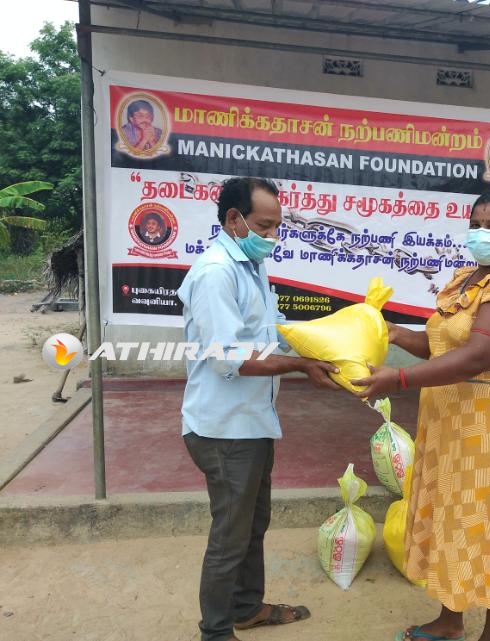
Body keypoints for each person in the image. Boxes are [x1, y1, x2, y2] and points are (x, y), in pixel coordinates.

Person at [352, 190, 490, 641]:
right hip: (451, 423)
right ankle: (449, 620)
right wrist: (395, 332)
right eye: (475, 224)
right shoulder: (467, 280)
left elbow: (478, 355)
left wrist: (398, 379)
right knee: (454, 517)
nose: (481, 233)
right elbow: (442, 345)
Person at [178, 176, 340, 641]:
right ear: (234, 219)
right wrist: (300, 365)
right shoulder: (216, 273)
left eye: (276, 226)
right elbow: (230, 356)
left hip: (251, 422)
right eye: (265, 226)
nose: (273, 236)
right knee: (230, 536)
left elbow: (267, 332)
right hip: (224, 430)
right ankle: (216, 632)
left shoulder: (250, 266)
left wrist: (333, 339)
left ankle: (246, 608)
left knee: (252, 524)